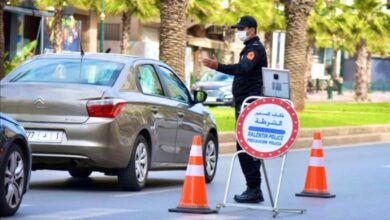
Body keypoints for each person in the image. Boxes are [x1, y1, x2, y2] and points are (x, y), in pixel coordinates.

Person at [202, 15, 268, 203]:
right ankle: (254, 187)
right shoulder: (249, 48)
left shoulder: (254, 49)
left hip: (249, 103)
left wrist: (218, 66)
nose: (239, 32)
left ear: (252, 30)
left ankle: (254, 188)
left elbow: (243, 69)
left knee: (245, 145)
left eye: (242, 28)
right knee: (246, 145)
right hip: (244, 102)